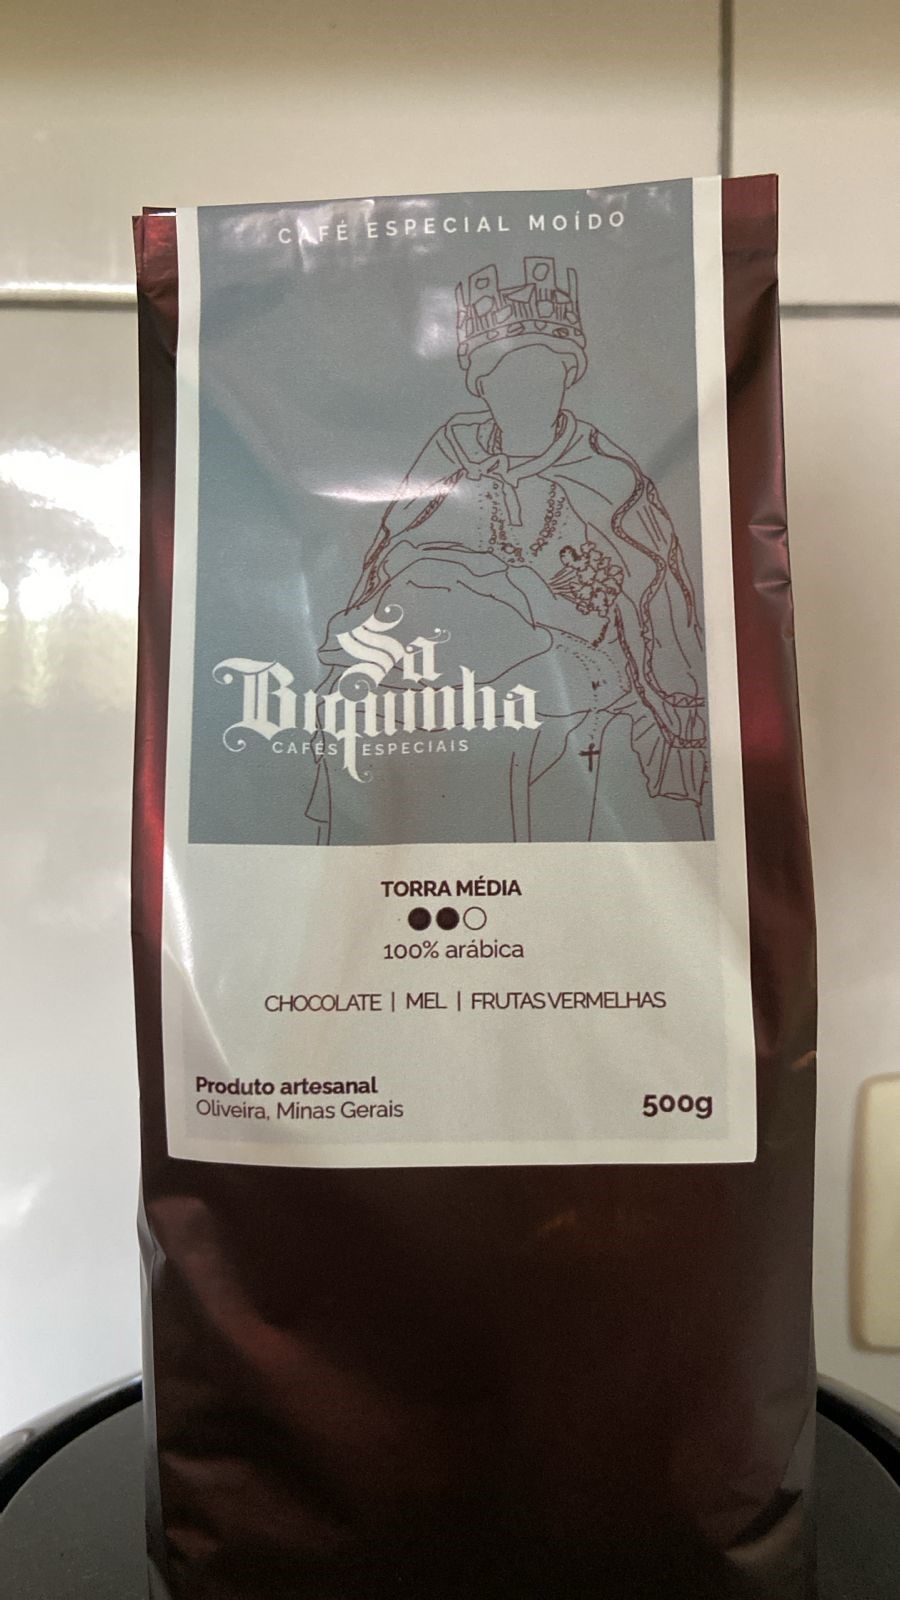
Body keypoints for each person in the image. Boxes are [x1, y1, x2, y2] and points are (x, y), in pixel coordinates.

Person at [307, 257, 709, 845]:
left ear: (567, 377)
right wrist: (452, 577)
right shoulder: (454, 450)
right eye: (507, 375)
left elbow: (654, 595)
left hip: (563, 661)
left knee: (528, 721)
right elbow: (394, 548)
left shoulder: (606, 476)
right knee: (356, 703)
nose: (526, 391)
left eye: (543, 373)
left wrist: (680, 699)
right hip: (440, 650)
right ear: (483, 384)